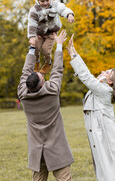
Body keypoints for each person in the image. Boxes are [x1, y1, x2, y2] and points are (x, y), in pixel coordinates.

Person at [67, 35, 115, 181]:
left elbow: (86, 77)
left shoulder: (104, 91)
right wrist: (74, 53)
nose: (104, 71)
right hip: (100, 132)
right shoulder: (101, 88)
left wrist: (73, 54)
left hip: (106, 132)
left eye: (108, 72)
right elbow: (89, 79)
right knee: (105, 166)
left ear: (110, 81)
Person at [17, 30, 74, 181]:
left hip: (36, 151)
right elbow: (57, 70)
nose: (43, 74)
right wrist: (59, 46)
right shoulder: (52, 91)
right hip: (57, 149)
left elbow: (25, 72)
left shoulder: (23, 95)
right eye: (42, 76)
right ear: (42, 84)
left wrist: (32, 48)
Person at [28, 0, 75, 74]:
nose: (45, 3)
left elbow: (63, 9)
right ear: (38, 1)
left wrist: (69, 14)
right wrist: (32, 36)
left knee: (45, 49)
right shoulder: (34, 10)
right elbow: (32, 23)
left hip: (51, 33)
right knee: (35, 46)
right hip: (39, 33)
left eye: (47, 0)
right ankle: (36, 62)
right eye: (42, 1)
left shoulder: (55, 4)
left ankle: (48, 62)